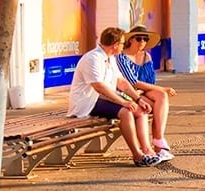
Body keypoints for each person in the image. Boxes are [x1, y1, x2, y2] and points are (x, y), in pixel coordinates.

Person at [69, 26, 165, 167]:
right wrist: (123, 102)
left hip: (102, 99)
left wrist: (138, 99)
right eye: (122, 43)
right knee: (126, 112)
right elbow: (99, 87)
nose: (123, 46)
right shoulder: (93, 58)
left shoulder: (111, 58)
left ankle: (147, 150)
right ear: (115, 45)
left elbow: (122, 82)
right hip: (87, 102)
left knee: (140, 110)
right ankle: (137, 155)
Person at [115, 27, 175, 160]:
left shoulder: (146, 56)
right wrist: (162, 88)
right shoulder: (121, 57)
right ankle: (157, 147)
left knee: (161, 97)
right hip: (126, 93)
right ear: (130, 40)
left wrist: (158, 90)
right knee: (153, 105)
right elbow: (132, 82)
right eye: (139, 38)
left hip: (143, 92)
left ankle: (158, 139)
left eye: (145, 39)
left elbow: (150, 80)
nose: (142, 41)